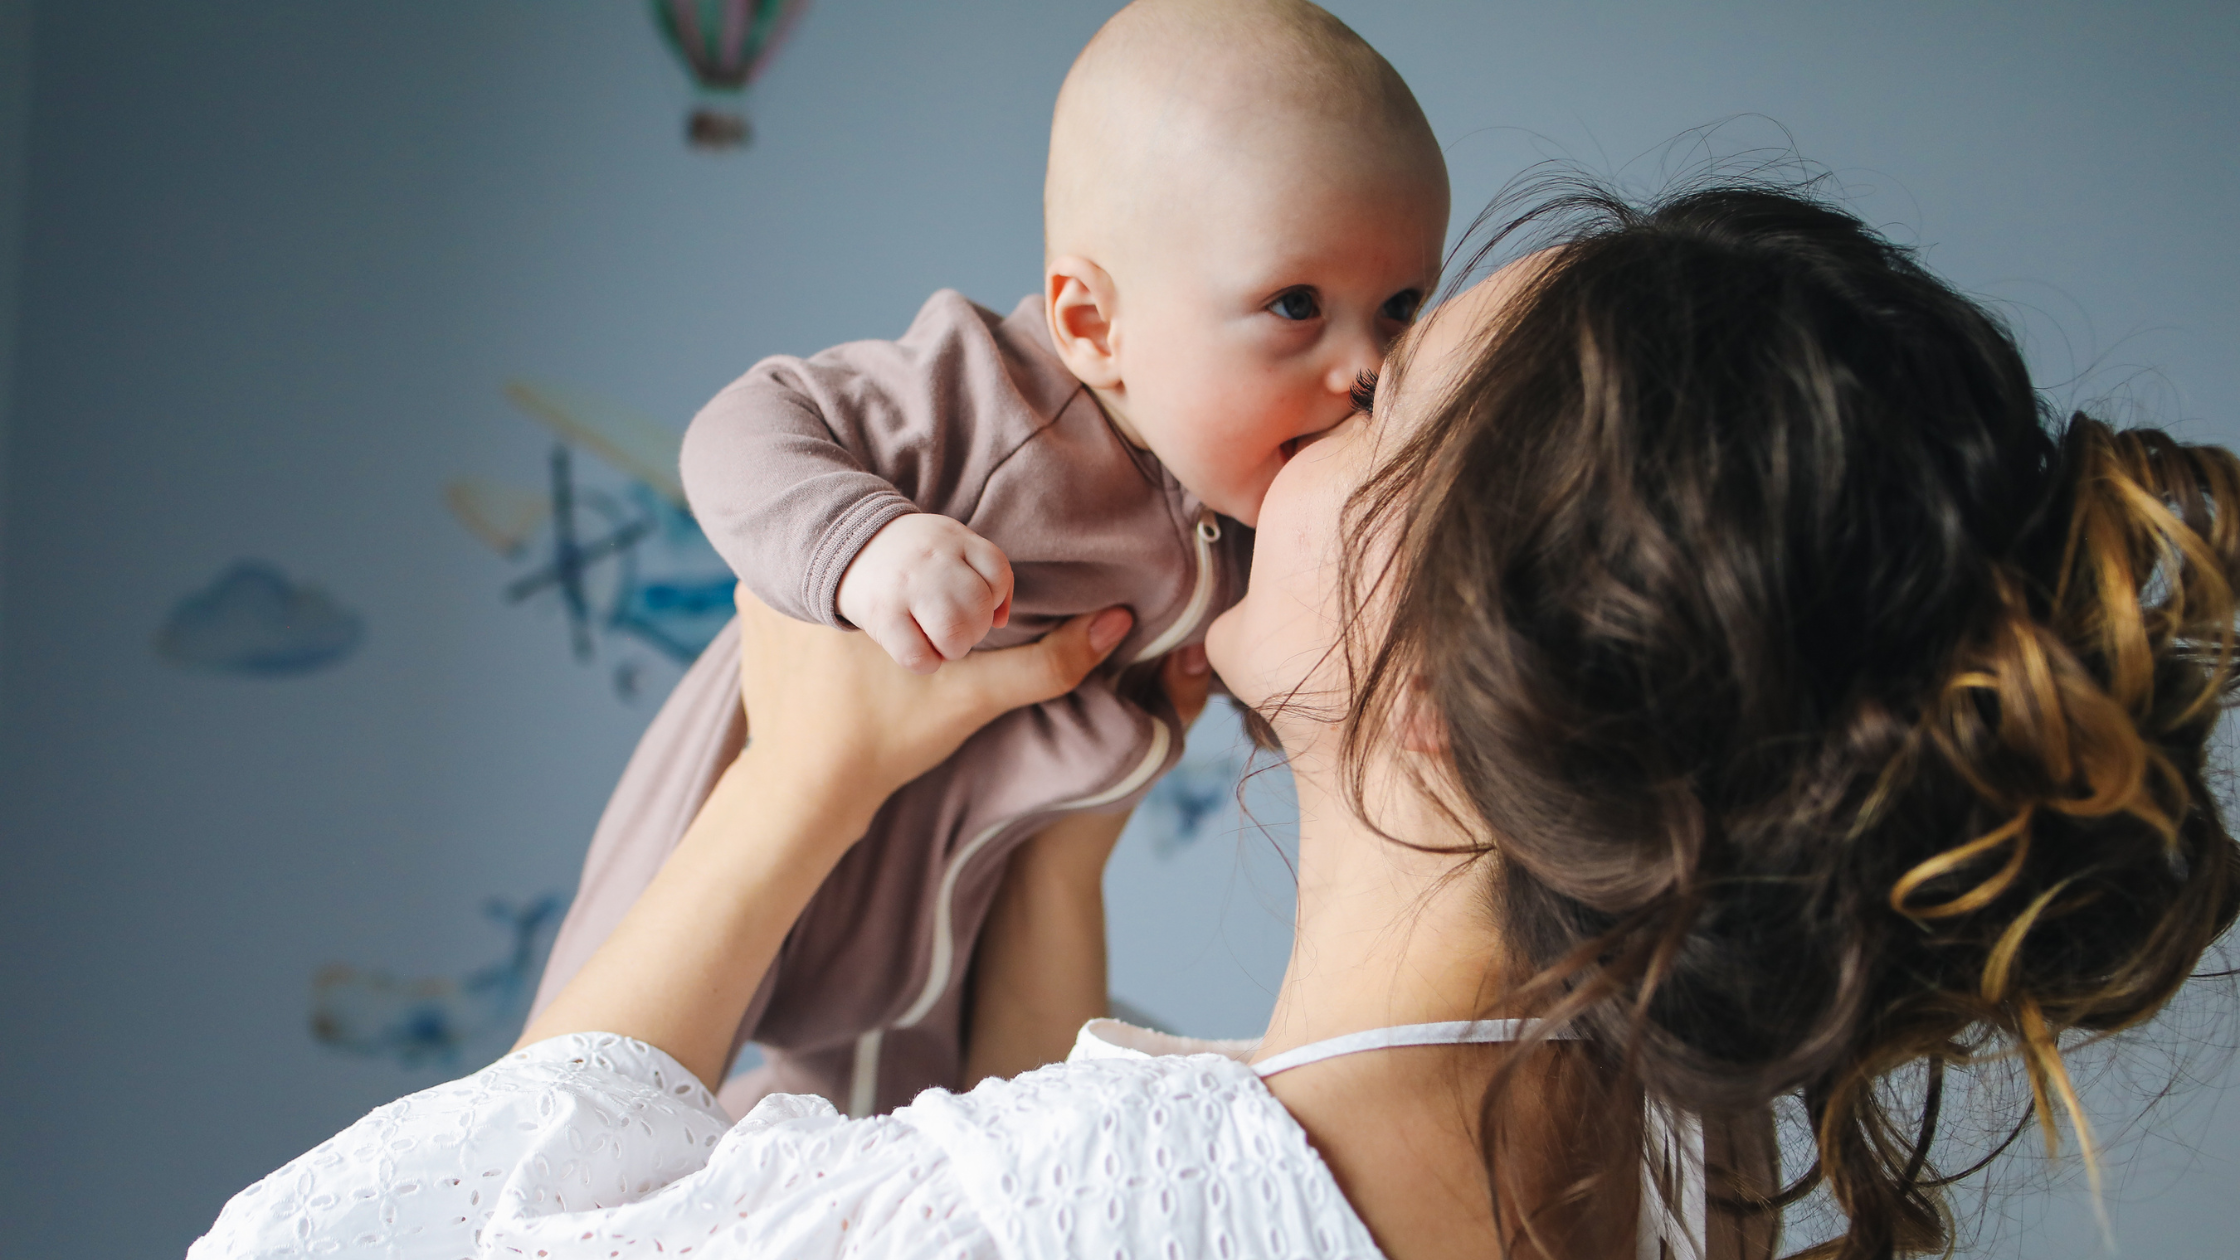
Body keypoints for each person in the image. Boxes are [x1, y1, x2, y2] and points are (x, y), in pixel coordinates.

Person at [191, 180, 2240, 1259]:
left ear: (1439, 687)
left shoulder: (1084, 1214)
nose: (1305, 412)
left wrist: (789, 791)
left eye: (1385, 402)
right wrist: (1059, 845)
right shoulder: (1665, 1178)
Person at [528, 0, 1452, 1120]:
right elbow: (742, 426)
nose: (1363, 367)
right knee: (590, 1100)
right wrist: (865, 543)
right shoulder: (990, 402)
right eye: (1295, 305)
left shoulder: (1255, 493)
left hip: (957, 890)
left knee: (888, 1133)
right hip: (763, 797)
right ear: (1091, 323)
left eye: (1401, 309)